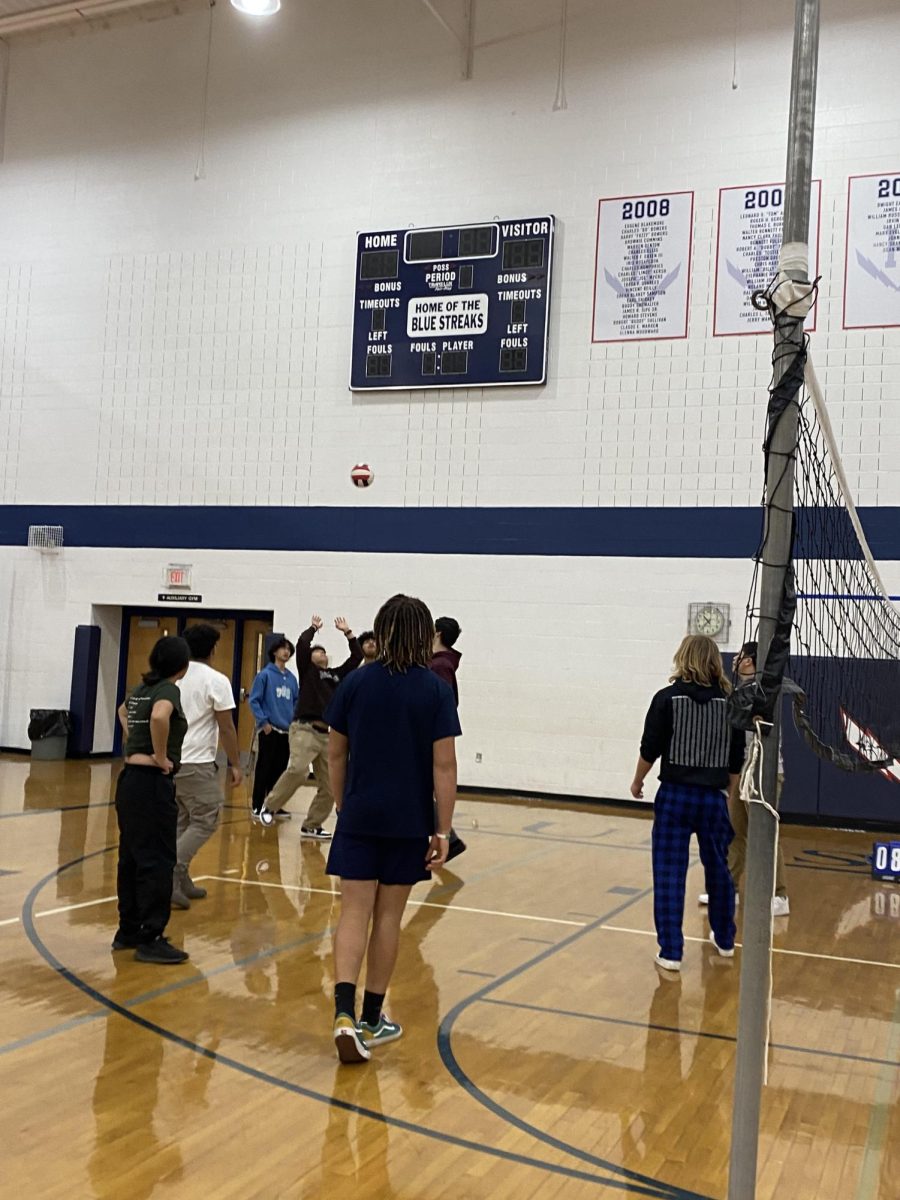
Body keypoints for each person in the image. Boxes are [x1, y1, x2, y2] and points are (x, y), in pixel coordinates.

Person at [324, 593, 461, 1063]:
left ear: (379, 631)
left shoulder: (355, 684)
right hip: (409, 820)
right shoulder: (435, 690)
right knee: (387, 918)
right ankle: (371, 1018)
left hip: (359, 814)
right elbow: (444, 766)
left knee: (353, 914)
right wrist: (442, 831)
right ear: (425, 634)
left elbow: (335, 753)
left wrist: (343, 804)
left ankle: (343, 1014)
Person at [631, 635, 745, 972]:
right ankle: (724, 940)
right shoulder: (729, 701)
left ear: (683, 658)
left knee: (669, 874)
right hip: (713, 798)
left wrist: (638, 780)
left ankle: (671, 952)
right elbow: (735, 760)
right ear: (714, 661)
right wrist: (728, 796)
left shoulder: (666, 699)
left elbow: (649, 747)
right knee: (720, 872)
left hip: (675, 798)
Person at [113, 635, 191, 964]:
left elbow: (121, 711)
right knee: (157, 860)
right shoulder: (168, 690)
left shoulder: (141, 688)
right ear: (182, 666)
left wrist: (135, 745)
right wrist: (159, 756)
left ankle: (128, 929)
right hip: (151, 784)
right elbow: (160, 717)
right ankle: (152, 936)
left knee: (131, 858)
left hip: (129, 780)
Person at [698, 640, 791, 917]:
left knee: (766, 835)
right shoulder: (738, 690)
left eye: (740, 656)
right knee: (736, 832)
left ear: (750, 661)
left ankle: (780, 895)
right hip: (743, 772)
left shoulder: (763, 691)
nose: (735, 660)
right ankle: (729, 889)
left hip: (764, 772)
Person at [257, 615, 362, 835]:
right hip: (305, 729)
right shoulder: (308, 672)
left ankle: (312, 825)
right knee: (298, 770)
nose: (321, 653)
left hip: (327, 735)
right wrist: (313, 628)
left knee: (331, 785)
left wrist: (348, 632)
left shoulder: (335, 676)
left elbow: (356, 657)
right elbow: (303, 645)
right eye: (317, 651)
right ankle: (269, 806)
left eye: (323, 652)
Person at [171, 623, 243, 911]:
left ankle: (181, 880)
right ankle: (171, 873)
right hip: (196, 762)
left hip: (171, 761)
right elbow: (226, 727)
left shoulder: (173, 677)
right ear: (213, 649)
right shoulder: (216, 680)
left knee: (182, 821)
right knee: (206, 819)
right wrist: (236, 763)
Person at [247, 637, 298, 817]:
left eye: (288, 649)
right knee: (264, 768)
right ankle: (257, 804)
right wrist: (264, 723)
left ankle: (273, 805)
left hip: (286, 731)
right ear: (274, 652)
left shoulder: (292, 679)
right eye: (282, 648)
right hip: (270, 729)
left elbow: (296, 701)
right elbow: (254, 700)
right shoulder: (265, 675)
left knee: (280, 769)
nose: (286, 652)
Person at [430, 615, 466, 862]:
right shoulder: (440, 663)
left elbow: (441, 703)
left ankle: (448, 838)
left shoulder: (440, 666)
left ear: (438, 633)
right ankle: (448, 838)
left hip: (430, 736)